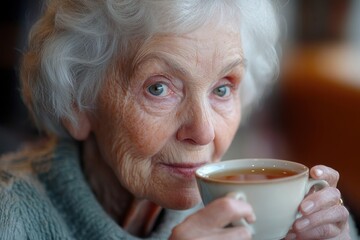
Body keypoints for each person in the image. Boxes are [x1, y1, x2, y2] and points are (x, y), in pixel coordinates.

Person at [0, 0, 357, 239]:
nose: (203, 133)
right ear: (78, 103)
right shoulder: (11, 216)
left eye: (222, 89)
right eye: (159, 88)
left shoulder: (250, 203)